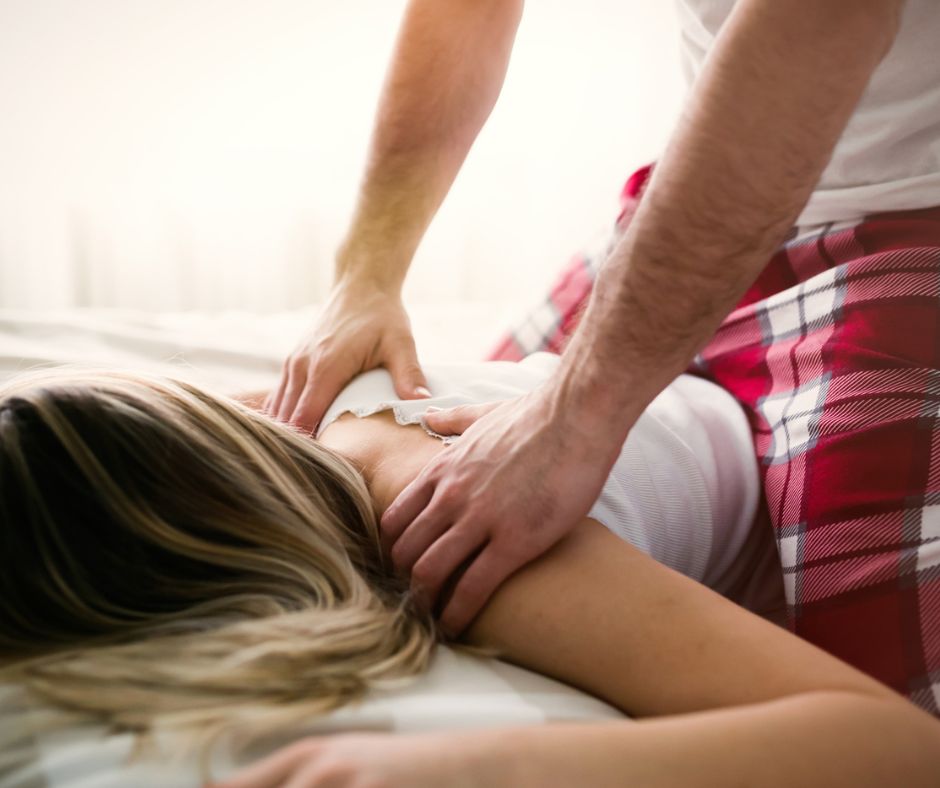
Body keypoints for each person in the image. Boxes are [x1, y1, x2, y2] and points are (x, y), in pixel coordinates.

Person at [267, 0, 940, 718]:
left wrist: (575, 417)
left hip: (907, 235)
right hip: (705, 194)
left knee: (896, 684)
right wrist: (366, 275)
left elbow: (819, 22)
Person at [1, 367, 938, 787]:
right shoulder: (262, 442)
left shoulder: (450, 536)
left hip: (790, 436)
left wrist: (484, 763)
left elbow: (893, 748)